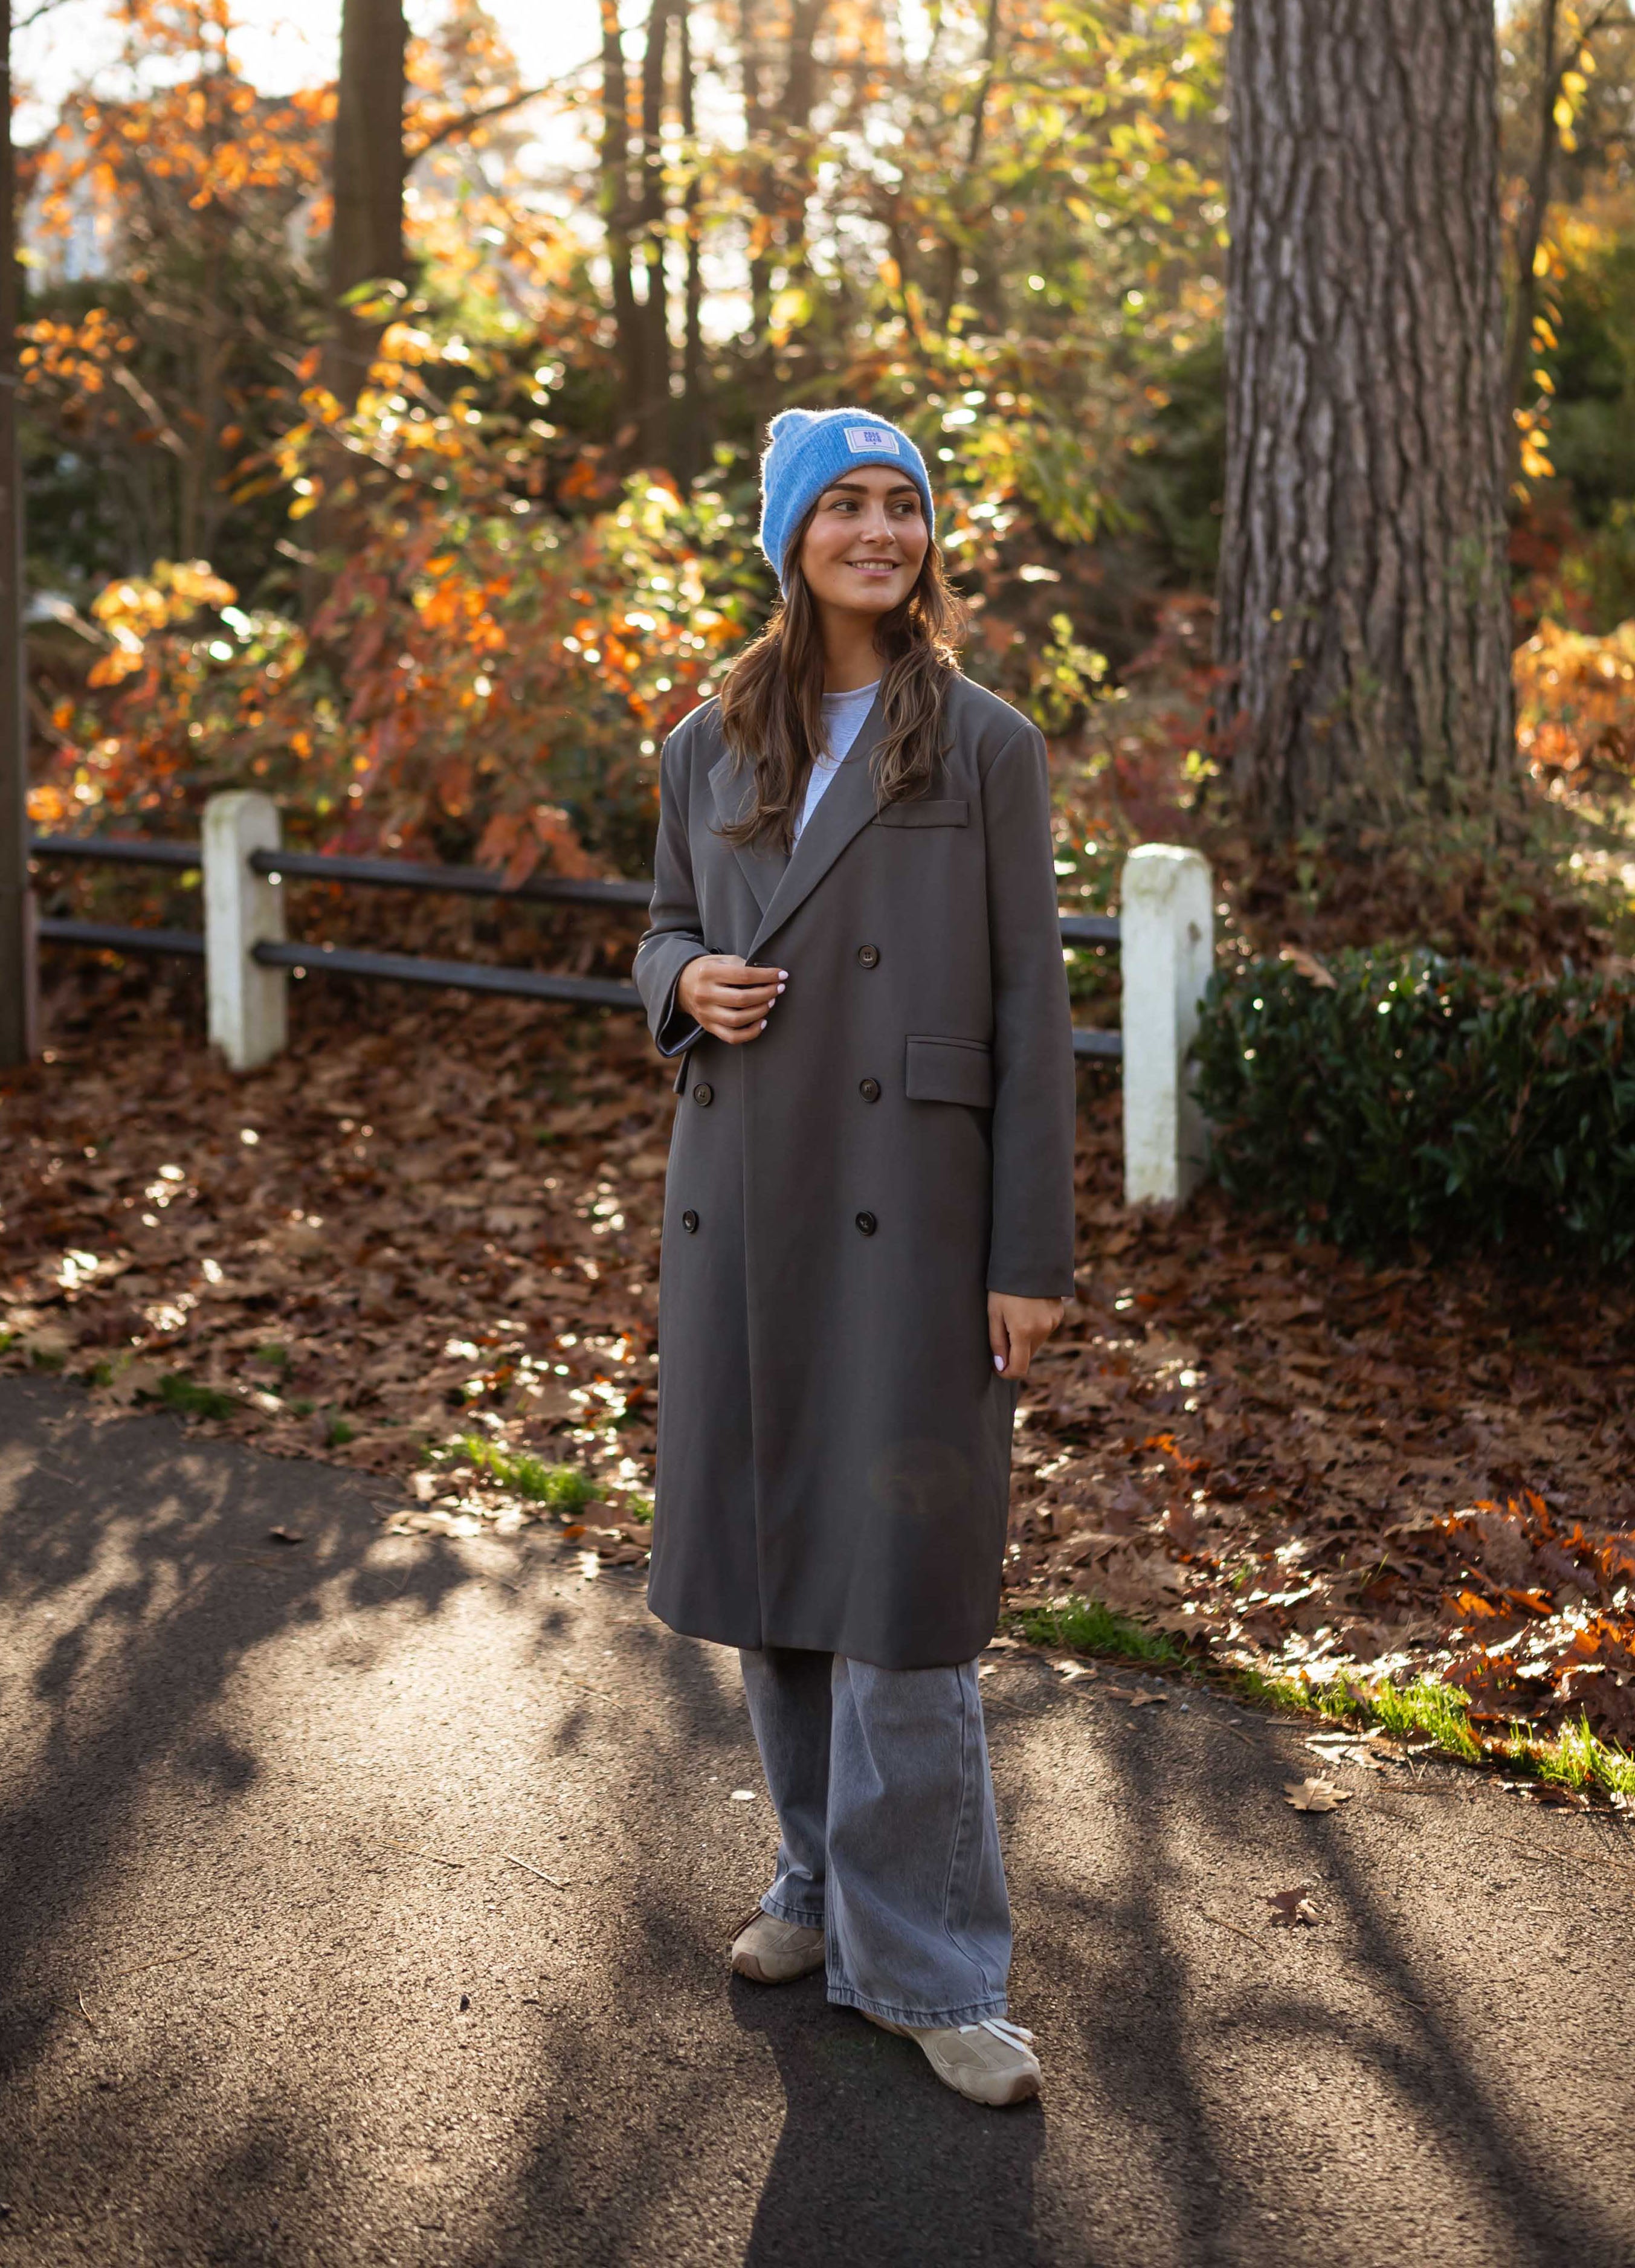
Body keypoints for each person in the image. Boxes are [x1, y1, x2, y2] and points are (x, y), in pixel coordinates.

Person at [633, 406, 1075, 2109]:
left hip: (919, 1207)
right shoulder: (707, 738)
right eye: (845, 507)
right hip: (746, 1190)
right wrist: (682, 984)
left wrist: (1026, 1248)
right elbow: (666, 919)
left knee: (902, 1593)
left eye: (903, 506)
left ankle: (937, 1966)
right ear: (789, 540)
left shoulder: (982, 744)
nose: (878, 532)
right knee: (776, 1563)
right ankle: (816, 1889)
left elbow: (1033, 1010)